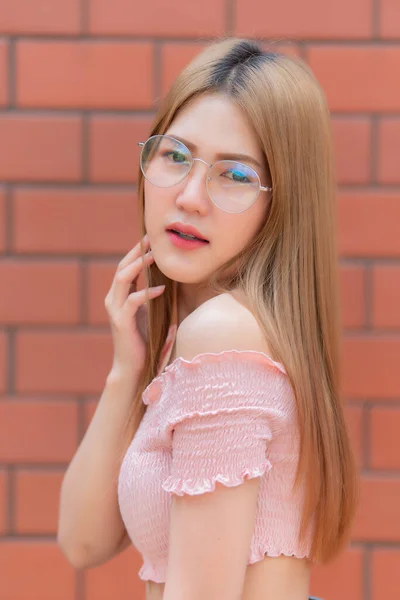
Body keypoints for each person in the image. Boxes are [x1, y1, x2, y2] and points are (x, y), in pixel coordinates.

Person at [57, 37, 359, 600]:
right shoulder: (201, 334)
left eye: (235, 176)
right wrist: (129, 370)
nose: (191, 196)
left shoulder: (223, 334)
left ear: (283, 203)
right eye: (175, 156)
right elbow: (82, 542)